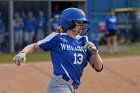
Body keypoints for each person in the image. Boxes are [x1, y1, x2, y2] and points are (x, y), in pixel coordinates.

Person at [13, 7, 103, 93]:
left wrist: (95, 53)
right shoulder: (57, 38)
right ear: (68, 22)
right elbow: (34, 46)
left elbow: (98, 68)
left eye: (82, 23)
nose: (82, 26)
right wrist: (22, 53)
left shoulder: (84, 41)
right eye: (79, 22)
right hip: (59, 85)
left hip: (71, 87)